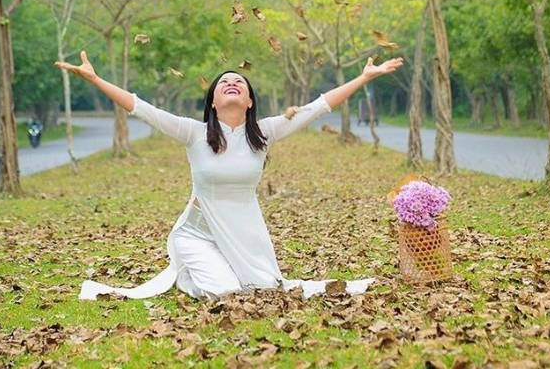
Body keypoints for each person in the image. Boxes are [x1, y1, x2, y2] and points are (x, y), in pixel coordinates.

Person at [55, 51, 403, 300]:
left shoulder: (265, 133)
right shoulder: (192, 132)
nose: (232, 82)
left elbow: (319, 106)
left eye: (239, 81)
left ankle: (207, 271)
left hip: (244, 236)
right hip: (197, 235)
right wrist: (95, 79)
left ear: (250, 100)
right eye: (224, 82)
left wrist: (364, 77)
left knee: (264, 290)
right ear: (213, 101)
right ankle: (187, 276)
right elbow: (142, 109)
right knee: (226, 292)